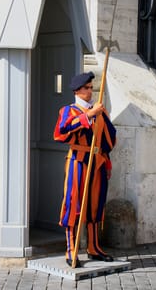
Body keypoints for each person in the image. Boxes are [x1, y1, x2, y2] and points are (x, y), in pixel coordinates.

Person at [53, 71, 116, 267]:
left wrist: (100, 117)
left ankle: (94, 247)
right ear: (78, 91)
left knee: (95, 204)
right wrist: (88, 116)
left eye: (91, 88)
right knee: (74, 203)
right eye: (87, 88)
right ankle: (71, 250)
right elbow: (61, 132)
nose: (90, 91)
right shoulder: (68, 111)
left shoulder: (98, 111)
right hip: (77, 162)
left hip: (97, 162)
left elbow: (110, 138)